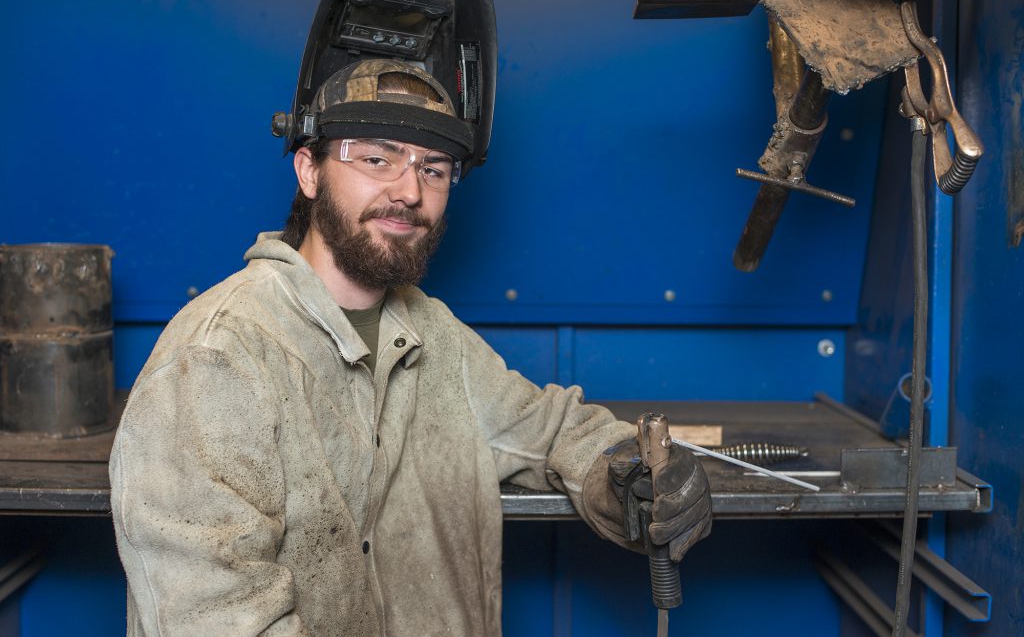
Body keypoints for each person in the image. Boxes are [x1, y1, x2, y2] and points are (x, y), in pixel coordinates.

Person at [109, 59, 712, 636]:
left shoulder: (432, 333)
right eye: (377, 159)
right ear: (308, 171)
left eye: (434, 168)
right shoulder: (221, 354)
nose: (408, 192)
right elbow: (212, 616)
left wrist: (628, 475)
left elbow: (550, 431)